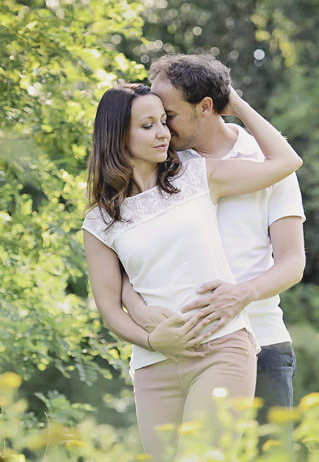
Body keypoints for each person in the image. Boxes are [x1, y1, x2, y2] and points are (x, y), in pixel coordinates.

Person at [81, 82, 301, 462]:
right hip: (153, 365)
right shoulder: (99, 223)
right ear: (117, 135)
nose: (163, 132)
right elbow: (111, 308)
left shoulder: (197, 178)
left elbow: (285, 162)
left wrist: (236, 104)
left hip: (223, 346)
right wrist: (153, 341)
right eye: (147, 126)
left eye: (163, 121)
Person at [121, 55, 306, 423]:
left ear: (205, 107)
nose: (161, 125)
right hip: (182, 352)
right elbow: (121, 256)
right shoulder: (157, 166)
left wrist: (243, 294)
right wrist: (140, 313)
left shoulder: (265, 161)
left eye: (168, 114)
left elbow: (293, 261)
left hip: (262, 344)